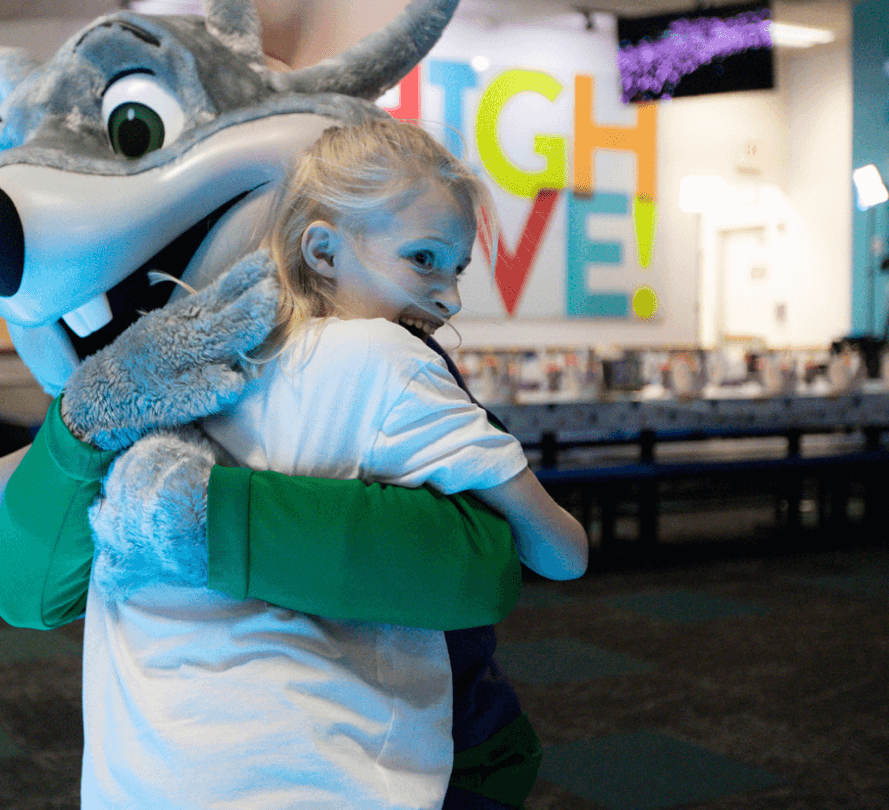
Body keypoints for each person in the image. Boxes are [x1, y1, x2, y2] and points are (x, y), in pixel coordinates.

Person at [83, 119, 586, 809]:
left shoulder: (191, 364)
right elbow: (563, 553)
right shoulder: (389, 364)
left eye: (458, 267)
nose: (451, 296)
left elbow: (6, 493)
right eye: (424, 259)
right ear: (322, 249)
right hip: (339, 767)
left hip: (151, 763)